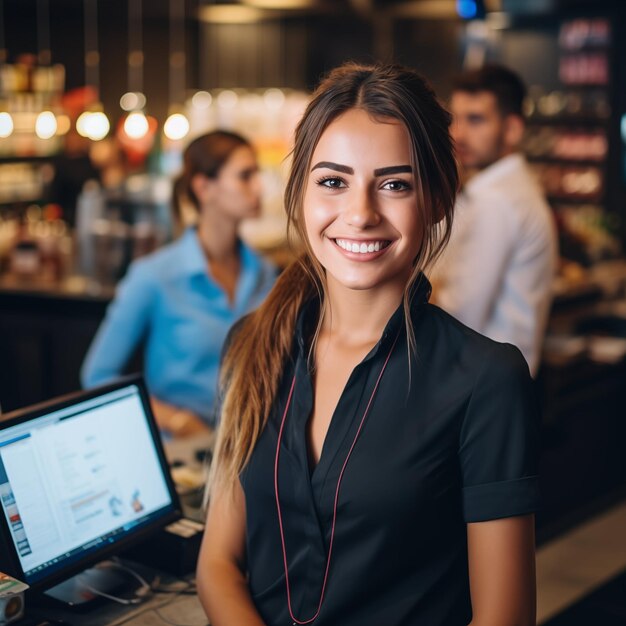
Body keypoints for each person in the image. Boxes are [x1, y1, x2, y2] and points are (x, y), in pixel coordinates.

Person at [197, 63, 539, 626]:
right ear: (301, 194)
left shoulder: (487, 378)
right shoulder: (252, 344)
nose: (359, 213)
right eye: (333, 181)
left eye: (394, 184)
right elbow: (218, 564)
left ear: (436, 200)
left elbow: (503, 619)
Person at [81, 131, 277, 437]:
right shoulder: (154, 276)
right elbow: (98, 376)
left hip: (253, 450)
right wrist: (176, 421)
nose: (259, 187)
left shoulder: (266, 274)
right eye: (245, 176)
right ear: (204, 187)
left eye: (257, 175)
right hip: (182, 458)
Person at [431, 64, 558, 377]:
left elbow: (459, 314)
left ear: (512, 128)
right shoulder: (507, 188)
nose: (458, 133)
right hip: (500, 381)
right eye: (455, 119)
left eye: (476, 120)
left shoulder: (497, 200)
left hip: (484, 387)